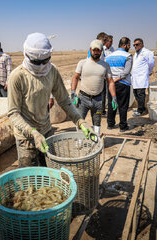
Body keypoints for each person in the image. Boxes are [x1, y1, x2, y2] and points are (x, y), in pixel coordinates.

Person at [8, 32, 94, 167]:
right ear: (27, 55)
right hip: (26, 138)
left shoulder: (52, 71)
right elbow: (13, 113)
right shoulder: (17, 76)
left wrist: (80, 121)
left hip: (46, 131)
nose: (42, 66)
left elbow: (64, 100)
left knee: (49, 172)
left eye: (45, 61)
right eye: (37, 62)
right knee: (30, 178)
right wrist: (33, 133)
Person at [71, 39, 118, 136]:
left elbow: (110, 82)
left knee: (97, 122)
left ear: (101, 51)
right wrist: (73, 92)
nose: (96, 52)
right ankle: (80, 140)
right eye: (94, 50)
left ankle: (96, 141)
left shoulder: (105, 65)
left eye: (98, 50)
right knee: (80, 120)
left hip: (98, 100)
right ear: (90, 50)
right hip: (83, 98)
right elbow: (75, 77)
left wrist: (114, 96)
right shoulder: (82, 63)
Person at [106, 37, 133, 132]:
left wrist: (111, 81)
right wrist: (117, 79)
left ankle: (110, 124)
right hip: (123, 84)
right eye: (129, 45)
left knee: (111, 103)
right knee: (123, 106)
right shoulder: (128, 56)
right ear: (124, 45)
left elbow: (106, 71)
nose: (130, 47)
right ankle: (123, 126)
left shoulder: (109, 56)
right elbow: (126, 72)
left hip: (110, 84)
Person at [131, 38, 155, 117]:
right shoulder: (136, 53)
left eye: (137, 44)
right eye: (134, 45)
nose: (135, 46)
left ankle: (140, 111)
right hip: (135, 77)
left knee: (141, 93)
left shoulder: (147, 52)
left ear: (142, 44)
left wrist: (149, 72)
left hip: (142, 77)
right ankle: (141, 108)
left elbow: (151, 63)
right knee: (135, 93)